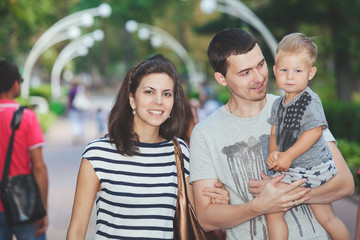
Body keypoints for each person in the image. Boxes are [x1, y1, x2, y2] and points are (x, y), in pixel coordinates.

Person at [189, 28, 354, 240]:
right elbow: (206, 218)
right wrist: (260, 206)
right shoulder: (204, 133)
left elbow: (345, 183)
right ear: (221, 79)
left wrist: (285, 195)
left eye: (260, 65)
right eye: (245, 72)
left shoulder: (297, 103)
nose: (259, 77)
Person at [66, 55, 229, 239]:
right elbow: (77, 231)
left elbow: (201, 216)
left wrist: (218, 200)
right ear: (132, 100)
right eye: (149, 92)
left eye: (166, 94)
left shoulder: (179, 151)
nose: (159, 101)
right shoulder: (98, 154)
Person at [265, 33, 350, 240]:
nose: (290, 76)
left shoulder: (309, 100)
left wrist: (289, 156)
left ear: (311, 73)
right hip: (297, 167)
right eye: (284, 70)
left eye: (298, 70)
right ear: (275, 70)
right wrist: (274, 151)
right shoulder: (278, 104)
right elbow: (274, 131)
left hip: (312, 168)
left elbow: (314, 132)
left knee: (275, 209)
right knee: (326, 218)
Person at [0, 60, 49, 239]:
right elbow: (38, 167)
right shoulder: (27, 117)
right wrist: (42, 207)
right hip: (24, 203)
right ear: (15, 85)